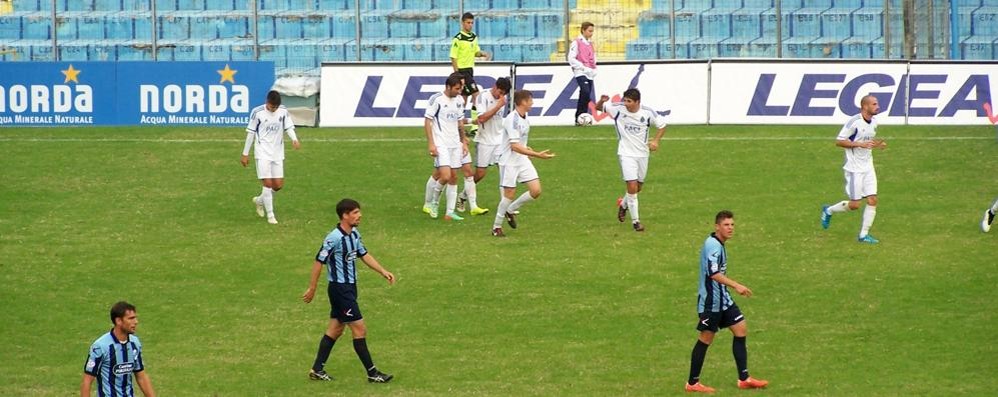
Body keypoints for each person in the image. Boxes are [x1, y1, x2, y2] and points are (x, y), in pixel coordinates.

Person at [303, 198, 396, 383]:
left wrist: (382, 271)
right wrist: (312, 288)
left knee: (335, 329)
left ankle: (317, 369)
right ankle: (372, 373)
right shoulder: (333, 238)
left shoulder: (354, 234)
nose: (359, 215)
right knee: (359, 328)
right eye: (355, 212)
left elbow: (364, 254)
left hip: (350, 288)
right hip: (340, 290)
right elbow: (318, 262)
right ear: (344, 215)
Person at [685, 211, 768, 393]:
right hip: (711, 303)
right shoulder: (713, 246)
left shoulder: (719, 243)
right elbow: (713, 274)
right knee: (706, 339)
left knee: (740, 328)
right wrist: (736, 285)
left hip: (723, 299)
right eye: (726, 225)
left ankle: (744, 378)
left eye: (732, 225)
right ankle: (692, 383)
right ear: (717, 227)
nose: (730, 228)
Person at [595, 89, 667, 232]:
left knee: (638, 187)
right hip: (626, 153)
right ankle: (636, 222)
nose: (626, 104)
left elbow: (662, 126)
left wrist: (656, 141)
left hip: (642, 154)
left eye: (629, 101)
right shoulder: (618, 109)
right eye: (625, 100)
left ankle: (623, 205)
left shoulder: (647, 113)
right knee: (632, 186)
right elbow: (598, 108)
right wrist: (602, 101)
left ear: (637, 102)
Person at [819, 94, 887, 243]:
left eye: (877, 104)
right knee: (855, 205)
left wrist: (877, 144)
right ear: (865, 106)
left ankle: (863, 235)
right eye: (874, 104)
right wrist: (859, 145)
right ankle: (828, 210)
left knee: (873, 199)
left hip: (868, 166)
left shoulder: (874, 122)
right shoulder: (854, 122)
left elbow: (866, 140)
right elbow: (839, 141)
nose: (878, 107)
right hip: (854, 169)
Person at [491, 90, 555, 237]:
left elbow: (520, 142)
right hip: (509, 162)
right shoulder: (511, 119)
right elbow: (513, 146)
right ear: (523, 102)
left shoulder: (525, 118)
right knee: (509, 194)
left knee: (536, 191)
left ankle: (511, 209)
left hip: (522, 159)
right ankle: (496, 227)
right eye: (530, 100)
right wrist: (536, 154)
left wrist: (527, 150)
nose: (532, 103)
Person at [241, 90, 300, 225]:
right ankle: (271, 216)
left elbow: (289, 127)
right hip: (262, 152)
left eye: (276, 107)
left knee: (278, 185)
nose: (274, 109)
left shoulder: (283, 111)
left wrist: (294, 139)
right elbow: (250, 133)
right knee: (267, 184)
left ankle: (259, 200)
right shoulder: (257, 112)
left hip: (277, 152)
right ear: (267, 103)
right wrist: (245, 153)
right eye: (272, 107)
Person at [458, 77, 512, 216]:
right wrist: (498, 106)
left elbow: (500, 120)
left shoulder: (502, 99)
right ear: (495, 87)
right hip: (484, 140)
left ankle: (504, 206)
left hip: (499, 140)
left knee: (504, 171)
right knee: (480, 174)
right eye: (500, 92)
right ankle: (463, 196)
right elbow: (481, 119)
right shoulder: (483, 97)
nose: (501, 96)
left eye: (504, 93)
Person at [81, 301, 156, 397]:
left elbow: (141, 376)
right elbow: (87, 381)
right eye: (131, 318)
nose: (136, 322)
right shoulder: (100, 346)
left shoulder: (134, 343)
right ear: (118, 321)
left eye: (135, 318)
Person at [421, 75, 468, 221]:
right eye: (457, 88)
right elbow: (427, 122)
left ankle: (449, 212)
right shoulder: (437, 99)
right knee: (445, 176)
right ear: (448, 86)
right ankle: (433, 203)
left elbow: (460, 122)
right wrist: (431, 143)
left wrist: (464, 142)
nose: (459, 91)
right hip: (441, 143)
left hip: (455, 144)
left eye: (460, 88)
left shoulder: (459, 100)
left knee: (454, 177)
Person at [450, 12, 490, 133]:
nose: (470, 25)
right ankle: (475, 127)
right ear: (462, 23)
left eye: (472, 23)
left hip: (470, 70)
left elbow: (475, 52)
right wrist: (457, 74)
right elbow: (453, 57)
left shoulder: (473, 37)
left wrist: (482, 53)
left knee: (463, 99)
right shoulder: (458, 39)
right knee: (477, 95)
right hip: (462, 71)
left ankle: (458, 126)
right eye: (468, 22)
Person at [568, 22, 597, 124]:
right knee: (585, 91)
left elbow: (593, 57)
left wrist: (594, 69)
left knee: (586, 94)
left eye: (592, 31)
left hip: (589, 72)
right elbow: (571, 58)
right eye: (589, 31)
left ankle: (581, 117)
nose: (591, 33)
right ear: (583, 30)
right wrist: (583, 68)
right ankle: (580, 115)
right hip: (581, 71)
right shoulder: (576, 42)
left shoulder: (590, 44)